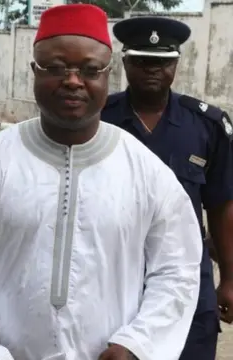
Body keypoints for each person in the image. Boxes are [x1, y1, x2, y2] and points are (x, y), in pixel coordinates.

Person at [0, 4, 202, 360]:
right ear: (33, 71)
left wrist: (138, 345)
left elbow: (178, 270)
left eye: (89, 69)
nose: (73, 80)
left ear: (107, 74)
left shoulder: (148, 173)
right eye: (55, 68)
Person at [101, 16, 233, 360]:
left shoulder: (207, 125)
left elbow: (221, 207)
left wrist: (230, 278)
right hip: (111, 281)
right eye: (142, 60)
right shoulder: (98, 120)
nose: (152, 69)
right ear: (125, 62)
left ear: (176, 63)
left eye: (162, 61)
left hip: (187, 286)